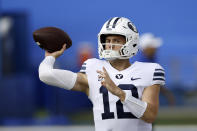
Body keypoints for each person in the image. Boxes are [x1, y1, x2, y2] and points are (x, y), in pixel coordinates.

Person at [39, 17, 165, 131]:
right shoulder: (93, 68)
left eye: (116, 40)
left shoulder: (149, 70)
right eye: (108, 40)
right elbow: (46, 75)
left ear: (131, 42)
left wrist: (120, 93)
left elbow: (150, 116)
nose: (110, 44)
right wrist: (50, 57)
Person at [139, 33, 175, 106]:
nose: (156, 49)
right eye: (153, 47)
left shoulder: (151, 59)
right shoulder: (140, 63)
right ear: (146, 48)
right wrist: (167, 94)